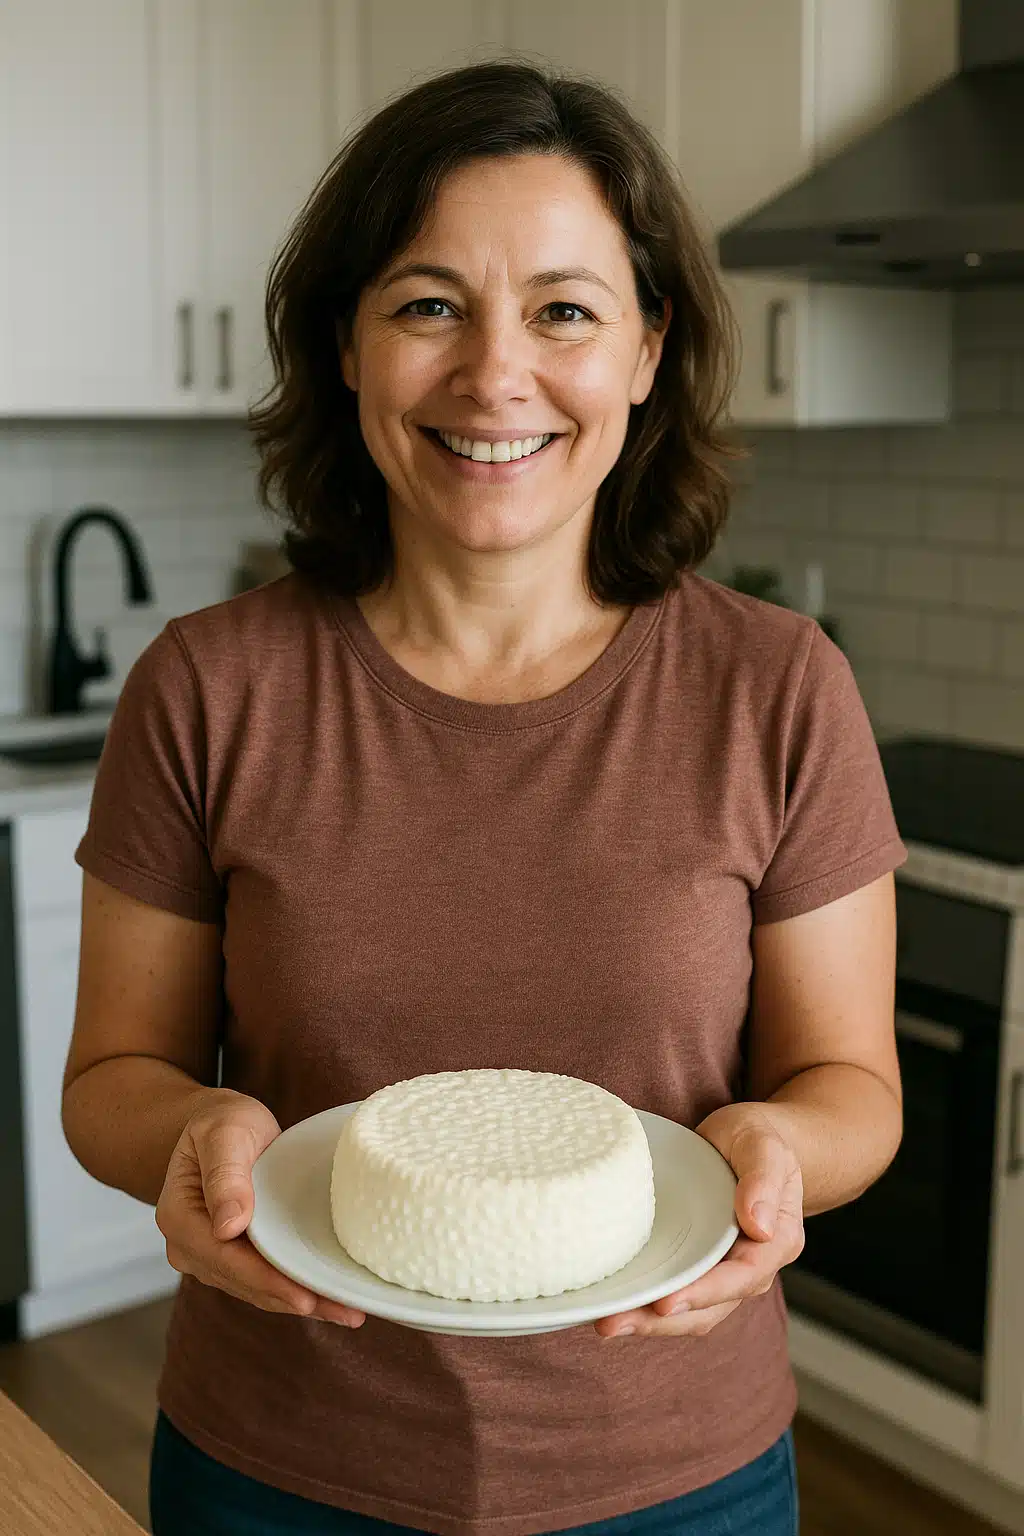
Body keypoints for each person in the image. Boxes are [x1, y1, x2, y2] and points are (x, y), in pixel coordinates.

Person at [63, 60, 905, 1536]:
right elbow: (110, 1081)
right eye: (428, 304)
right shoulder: (207, 687)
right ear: (347, 344)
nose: (493, 374)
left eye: (565, 310)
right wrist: (189, 1139)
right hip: (277, 1470)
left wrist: (777, 1155)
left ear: (649, 348)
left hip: (675, 1481)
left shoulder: (779, 689)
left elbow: (853, 1089)